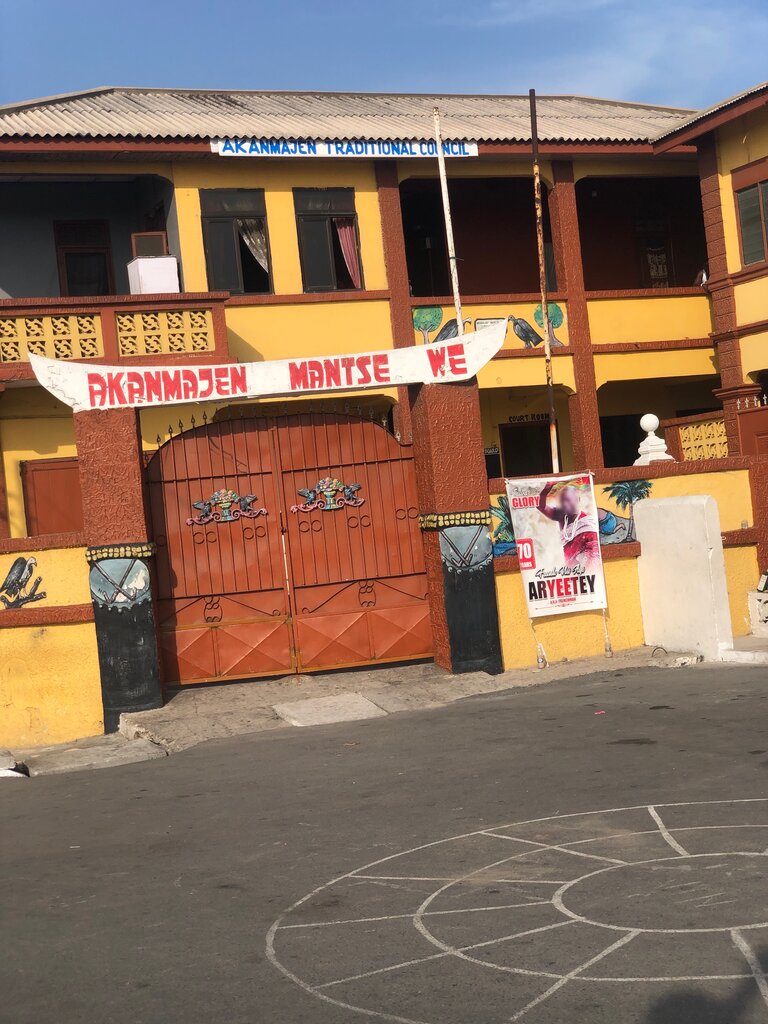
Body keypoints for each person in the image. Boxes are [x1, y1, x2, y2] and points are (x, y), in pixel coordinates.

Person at [537, 480, 600, 570]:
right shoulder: (561, 516)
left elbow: (593, 553)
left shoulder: (588, 522)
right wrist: (545, 491)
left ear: (577, 499)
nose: (564, 505)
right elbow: (540, 507)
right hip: (569, 568)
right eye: (562, 502)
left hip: (586, 570)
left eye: (567, 500)